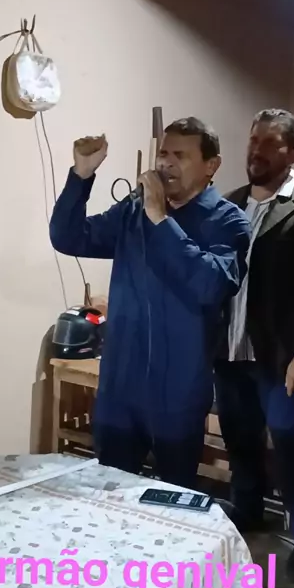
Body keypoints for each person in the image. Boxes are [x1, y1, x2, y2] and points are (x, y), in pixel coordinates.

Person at [50, 117, 250, 488]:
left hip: (178, 393)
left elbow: (211, 285)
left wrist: (160, 219)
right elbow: (69, 237)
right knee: (110, 492)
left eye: (180, 155)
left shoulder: (228, 221)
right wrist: (81, 175)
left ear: (211, 166)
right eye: (163, 153)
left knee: (171, 501)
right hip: (120, 387)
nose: (166, 163)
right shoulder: (133, 210)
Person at [214, 108, 294, 583]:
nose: (257, 151)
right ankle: (248, 509)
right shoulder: (228, 204)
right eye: (254, 141)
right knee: (239, 439)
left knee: (291, 447)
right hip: (230, 351)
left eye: (270, 143)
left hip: (281, 357)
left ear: (293, 154)